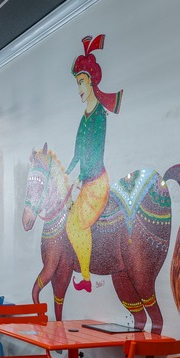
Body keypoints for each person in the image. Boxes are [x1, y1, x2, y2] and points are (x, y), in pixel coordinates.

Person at [65, 34, 123, 293]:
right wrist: (67, 174)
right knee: (67, 222)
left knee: (76, 224)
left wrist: (81, 178)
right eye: (77, 83)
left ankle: (87, 278)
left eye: (81, 82)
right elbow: (78, 153)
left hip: (96, 180)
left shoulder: (99, 115)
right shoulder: (84, 117)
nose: (79, 88)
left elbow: (95, 153)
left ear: (91, 82)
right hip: (85, 179)